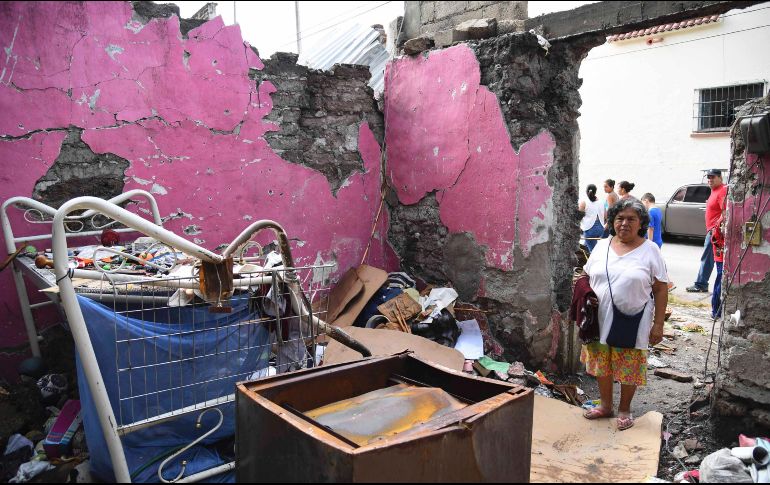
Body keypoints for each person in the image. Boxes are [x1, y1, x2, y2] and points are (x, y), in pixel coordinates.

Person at [581, 199, 669, 431]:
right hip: (599, 319)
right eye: (620, 218)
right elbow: (586, 276)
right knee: (602, 363)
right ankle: (606, 405)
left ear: (641, 223)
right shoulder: (601, 246)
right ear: (612, 221)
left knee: (629, 365)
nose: (624, 223)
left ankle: (624, 409)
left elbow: (661, 289)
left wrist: (658, 324)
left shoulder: (650, 250)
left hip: (633, 319)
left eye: (631, 219)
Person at [687, 169, 727, 293]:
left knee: (707, 258)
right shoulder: (714, 191)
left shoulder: (722, 191)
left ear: (720, 178)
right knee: (708, 258)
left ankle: (701, 284)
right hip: (712, 231)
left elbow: (725, 213)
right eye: (708, 177)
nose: (710, 179)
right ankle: (701, 283)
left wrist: (716, 227)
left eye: (712, 177)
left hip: (715, 233)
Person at [579, 184, 606, 252]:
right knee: (586, 246)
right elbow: (606, 216)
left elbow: (578, 217)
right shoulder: (602, 202)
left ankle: (594, 260)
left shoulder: (584, 202)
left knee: (593, 251)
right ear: (595, 192)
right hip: (601, 229)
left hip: (590, 230)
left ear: (586, 191)